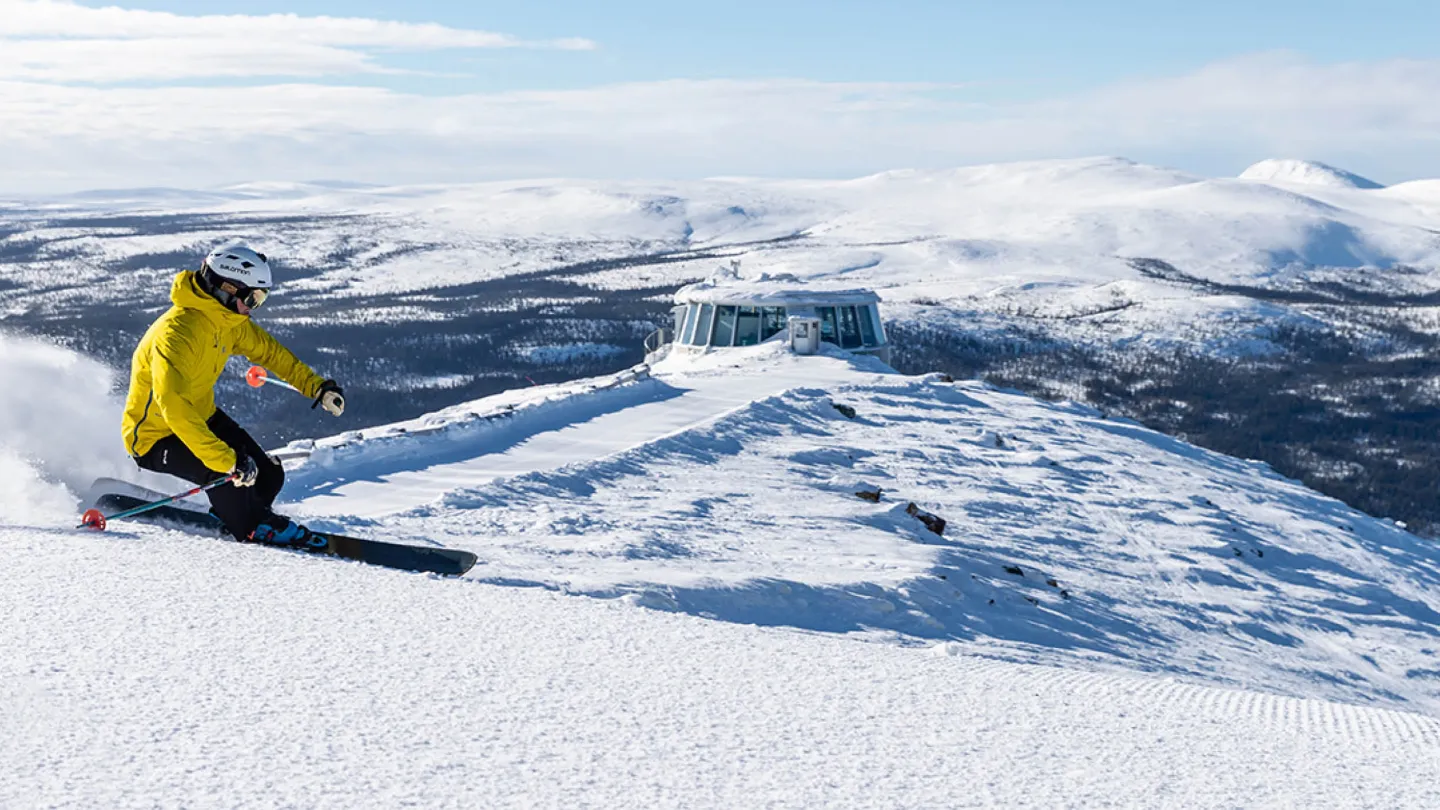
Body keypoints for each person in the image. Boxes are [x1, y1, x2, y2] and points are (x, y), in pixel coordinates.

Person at [121, 245, 345, 545]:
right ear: (227, 289)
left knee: (267, 475)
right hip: (155, 436)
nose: (254, 307)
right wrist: (226, 461)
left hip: (200, 416)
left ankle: (239, 512)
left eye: (260, 299)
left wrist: (316, 387)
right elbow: (174, 409)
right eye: (253, 298)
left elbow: (271, 353)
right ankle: (252, 528)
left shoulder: (226, 321)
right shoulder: (176, 335)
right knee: (228, 476)